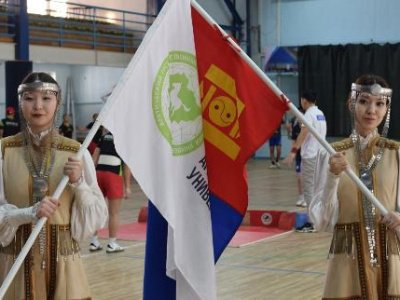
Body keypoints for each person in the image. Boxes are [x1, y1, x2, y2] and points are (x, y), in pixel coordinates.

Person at [0, 72, 108, 299]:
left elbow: (97, 218)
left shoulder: (76, 152)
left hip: (65, 269)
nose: (38, 106)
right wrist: (27, 213)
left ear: (57, 102)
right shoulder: (4, 151)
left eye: (46, 98)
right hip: (15, 266)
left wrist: (79, 184)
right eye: (29, 98)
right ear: (20, 103)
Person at [309, 74, 400, 299]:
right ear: (351, 103)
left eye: (379, 104)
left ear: (387, 108)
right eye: (364, 101)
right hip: (346, 263)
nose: (372, 110)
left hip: (390, 259)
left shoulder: (396, 153)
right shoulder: (331, 153)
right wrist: (333, 176)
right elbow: (320, 220)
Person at [283, 90, 327, 232]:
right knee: (318, 189)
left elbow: (304, 132)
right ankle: (319, 220)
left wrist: (293, 151)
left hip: (311, 155)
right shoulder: (320, 113)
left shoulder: (308, 114)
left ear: (304, 100)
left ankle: (312, 223)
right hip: (321, 155)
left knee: (309, 190)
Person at [89, 129, 131, 253]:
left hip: (99, 174)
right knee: (114, 213)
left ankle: (94, 241)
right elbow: (126, 165)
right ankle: (112, 243)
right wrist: (127, 186)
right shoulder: (124, 138)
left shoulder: (104, 137)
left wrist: (90, 180)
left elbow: (94, 159)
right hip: (113, 176)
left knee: (97, 211)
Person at [286, 107, 305, 207]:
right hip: (298, 155)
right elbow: (294, 141)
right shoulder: (295, 125)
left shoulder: (306, 125)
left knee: (305, 177)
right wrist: (291, 154)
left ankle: (307, 198)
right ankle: (301, 197)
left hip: (307, 155)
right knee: (299, 177)